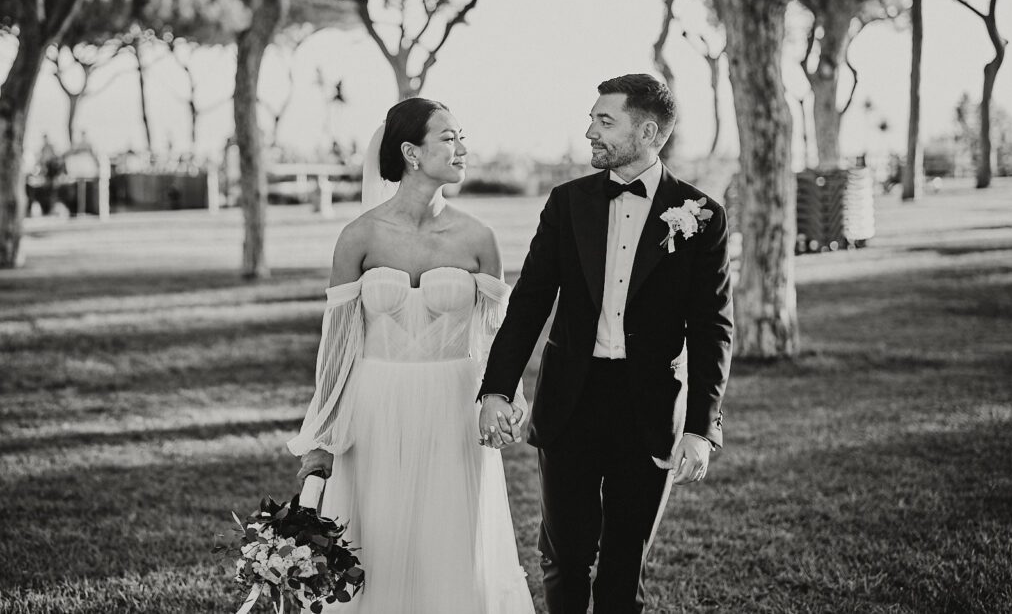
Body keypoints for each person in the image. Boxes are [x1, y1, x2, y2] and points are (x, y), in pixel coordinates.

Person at [478, 74, 734, 613]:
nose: (589, 130)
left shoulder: (701, 215)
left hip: (649, 407)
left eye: (604, 120)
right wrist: (497, 388)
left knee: (625, 561)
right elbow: (530, 301)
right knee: (565, 556)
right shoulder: (567, 203)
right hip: (570, 401)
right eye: (592, 117)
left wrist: (700, 428)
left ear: (648, 131)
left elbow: (712, 328)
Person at [289, 98, 535, 614]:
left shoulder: (479, 239)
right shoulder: (359, 236)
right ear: (410, 153)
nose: (463, 148)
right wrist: (322, 436)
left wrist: (509, 398)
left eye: (461, 136)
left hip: (454, 408)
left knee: (452, 541)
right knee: (377, 540)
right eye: (449, 138)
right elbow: (337, 346)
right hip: (375, 407)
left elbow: (495, 338)